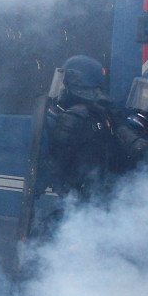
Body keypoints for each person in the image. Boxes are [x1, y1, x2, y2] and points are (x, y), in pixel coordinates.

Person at [43, 55, 117, 198]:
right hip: (94, 189)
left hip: (73, 193)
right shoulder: (100, 113)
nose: (61, 86)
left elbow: (58, 159)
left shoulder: (73, 116)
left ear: (77, 82)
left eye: (64, 81)